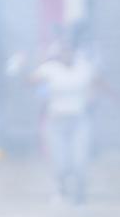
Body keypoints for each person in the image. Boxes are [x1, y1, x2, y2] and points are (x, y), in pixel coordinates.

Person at [31, 41, 101, 205]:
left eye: (69, 51)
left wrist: (94, 97)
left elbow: (97, 83)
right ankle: (61, 188)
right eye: (63, 52)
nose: (66, 55)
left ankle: (80, 191)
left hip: (78, 120)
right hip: (56, 121)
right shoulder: (50, 69)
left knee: (79, 159)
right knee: (59, 160)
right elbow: (31, 81)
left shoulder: (83, 68)